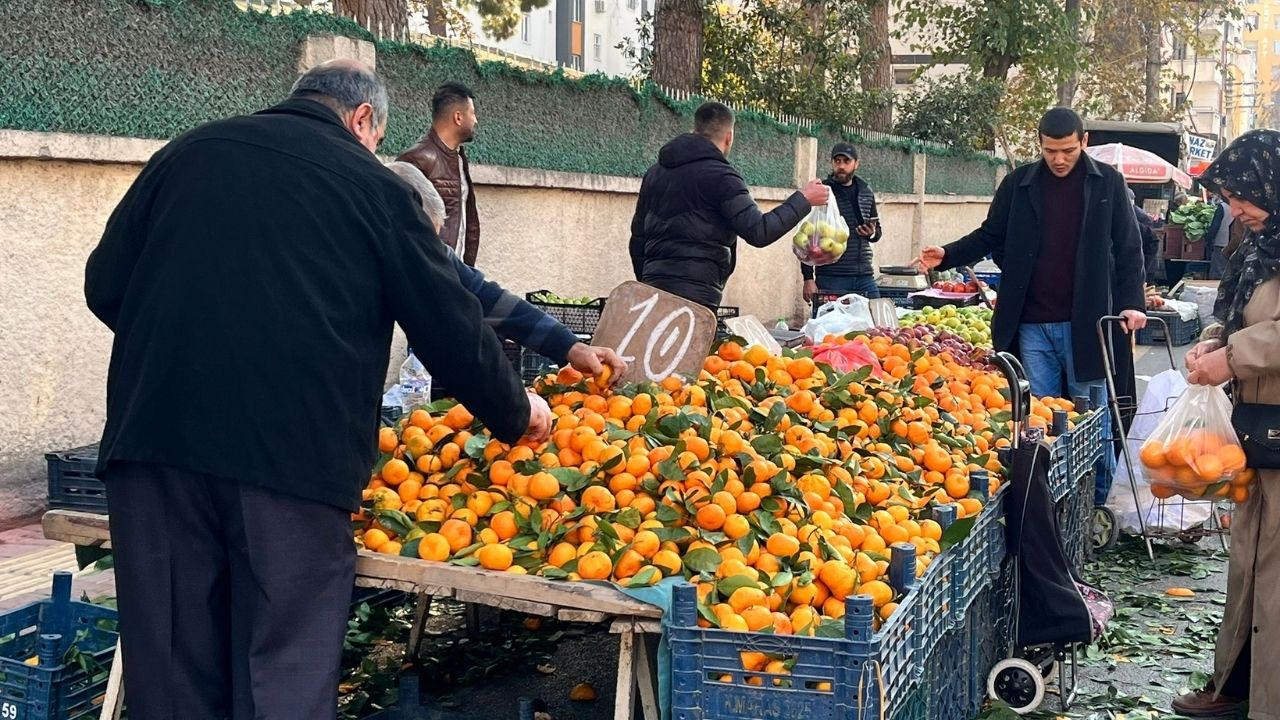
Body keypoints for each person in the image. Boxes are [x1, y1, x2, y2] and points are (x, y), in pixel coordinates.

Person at [83, 60, 553, 720]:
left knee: (169, 674)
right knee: (281, 669)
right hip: (292, 461)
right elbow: (449, 323)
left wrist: (192, 351)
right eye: (377, 135)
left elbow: (105, 285)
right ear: (363, 119)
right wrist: (516, 411)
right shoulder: (375, 190)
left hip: (154, 450)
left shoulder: (187, 153)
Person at [915, 107, 1147, 504]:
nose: (1058, 159)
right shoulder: (1019, 184)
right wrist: (948, 254)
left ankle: (1095, 505)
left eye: (1067, 151)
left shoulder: (1107, 182)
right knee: (1037, 420)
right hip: (1031, 324)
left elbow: (1128, 248)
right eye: (1050, 151)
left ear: (1084, 142)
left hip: (1087, 325)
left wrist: (1131, 304)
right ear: (1039, 145)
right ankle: (1051, 504)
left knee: (1092, 419)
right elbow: (990, 233)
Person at [1174, 129, 1280, 720]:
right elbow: (1239, 315)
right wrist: (1215, 342)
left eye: (1242, 196)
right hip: (1257, 426)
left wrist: (1233, 357)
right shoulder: (1259, 246)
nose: (1234, 209)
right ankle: (1234, 687)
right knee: (1248, 559)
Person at [385, 160, 625, 376]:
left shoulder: (433, 256)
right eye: (425, 239)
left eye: (435, 239)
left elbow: (492, 301)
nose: (430, 249)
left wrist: (571, 347)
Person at [629, 101, 830, 308]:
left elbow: (638, 238)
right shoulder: (722, 177)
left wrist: (646, 282)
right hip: (696, 297)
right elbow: (759, 231)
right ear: (729, 137)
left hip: (653, 289)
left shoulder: (654, 173)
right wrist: (804, 199)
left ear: (694, 130)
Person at [397, 82, 482, 265]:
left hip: (455, 271)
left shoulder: (458, 157)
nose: (476, 120)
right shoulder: (417, 159)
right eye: (472, 113)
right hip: (430, 272)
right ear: (458, 117)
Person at [802, 142, 882, 302]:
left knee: (876, 322)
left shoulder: (866, 191)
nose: (841, 166)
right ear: (832, 163)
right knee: (830, 326)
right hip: (832, 277)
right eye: (837, 161)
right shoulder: (822, 192)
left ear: (856, 164)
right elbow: (808, 237)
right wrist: (808, 278)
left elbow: (877, 230)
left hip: (864, 276)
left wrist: (872, 233)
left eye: (846, 162)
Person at [1129, 188, 1161, 283]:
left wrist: (1144, 266)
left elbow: (1152, 239)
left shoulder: (1136, 215)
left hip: (1143, 266)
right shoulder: (1134, 213)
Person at [1206, 196, 1235, 279]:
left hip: (1221, 242)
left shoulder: (1222, 207)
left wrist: (1209, 238)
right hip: (1234, 243)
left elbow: (1215, 226)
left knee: (1218, 271)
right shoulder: (1238, 206)